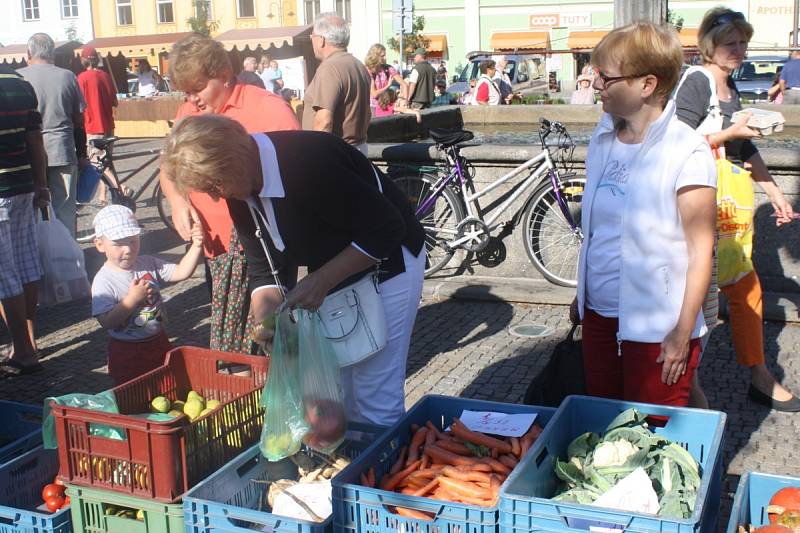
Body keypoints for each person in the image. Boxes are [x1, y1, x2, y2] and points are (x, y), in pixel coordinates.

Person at [161, 115, 426, 425]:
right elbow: (262, 268)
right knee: (341, 388)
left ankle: (377, 467)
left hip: (390, 265)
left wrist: (322, 280)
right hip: (339, 274)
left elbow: (387, 228)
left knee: (374, 395)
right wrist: (267, 322)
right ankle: (355, 461)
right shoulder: (240, 185)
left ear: (233, 158)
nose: (217, 196)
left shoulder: (310, 162)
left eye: (214, 185)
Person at [570, 22, 717, 407]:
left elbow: (701, 250)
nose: (596, 84)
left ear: (646, 85)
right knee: (603, 423)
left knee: (654, 434)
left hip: (657, 325)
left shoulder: (687, 149)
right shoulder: (602, 139)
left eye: (606, 76)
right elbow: (598, 231)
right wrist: (582, 295)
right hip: (600, 317)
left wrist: (682, 333)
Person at [674, 7, 800, 411]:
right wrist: (731, 132)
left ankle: (759, 375)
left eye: (743, 42)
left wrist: (775, 193)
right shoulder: (695, 82)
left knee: (746, 289)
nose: (740, 50)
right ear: (710, 43)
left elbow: (745, 148)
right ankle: (687, 386)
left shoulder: (730, 86)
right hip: (696, 204)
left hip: (726, 205)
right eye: (731, 43)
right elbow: (674, 144)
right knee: (698, 297)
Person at [161, 34, 300, 354]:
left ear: (223, 74)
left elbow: (293, 179)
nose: (192, 99)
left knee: (266, 333)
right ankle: (239, 390)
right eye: (186, 91)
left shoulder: (269, 108)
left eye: (198, 88)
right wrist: (178, 201)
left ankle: (271, 390)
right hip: (216, 248)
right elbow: (168, 166)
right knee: (228, 328)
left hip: (263, 250)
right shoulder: (188, 111)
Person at [91, 205, 204, 385]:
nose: (128, 249)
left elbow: (181, 272)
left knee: (169, 385)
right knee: (133, 393)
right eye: (119, 243)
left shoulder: (147, 263)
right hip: (126, 350)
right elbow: (106, 321)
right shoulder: (103, 280)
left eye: (133, 241)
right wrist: (132, 299)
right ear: (99, 244)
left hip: (158, 340)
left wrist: (197, 245)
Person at [0, 65, 50, 378]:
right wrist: (41, 184)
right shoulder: (21, 84)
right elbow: (36, 143)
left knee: (4, 273)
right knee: (26, 263)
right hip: (22, 187)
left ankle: (24, 351)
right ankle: (29, 340)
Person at [19, 33, 85, 238]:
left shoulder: (19, 77)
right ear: (53, 53)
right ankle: (67, 260)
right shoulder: (67, 76)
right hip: (62, 149)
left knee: (31, 209)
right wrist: (82, 152)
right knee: (64, 209)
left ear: (28, 53)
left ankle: (37, 255)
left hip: (28, 153)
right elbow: (79, 120)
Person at [302, 12, 371, 154]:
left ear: (321, 40)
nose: (312, 41)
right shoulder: (358, 65)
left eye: (312, 36)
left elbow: (324, 121)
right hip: (357, 148)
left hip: (336, 152)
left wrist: (314, 157)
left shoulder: (329, 68)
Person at [76, 45, 128, 203]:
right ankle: (103, 195)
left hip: (92, 125)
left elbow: (78, 105)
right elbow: (115, 102)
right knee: (105, 162)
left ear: (84, 60)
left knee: (96, 163)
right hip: (107, 125)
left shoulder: (82, 78)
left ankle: (120, 188)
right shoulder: (105, 76)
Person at [364, 43, 408, 116]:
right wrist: (387, 86)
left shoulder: (388, 68)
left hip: (386, 105)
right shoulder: (369, 71)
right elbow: (374, 94)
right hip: (373, 107)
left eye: (385, 55)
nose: (385, 58)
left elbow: (404, 84)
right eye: (382, 56)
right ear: (375, 56)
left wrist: (405, 101)